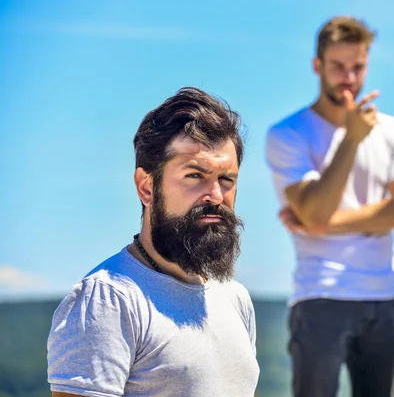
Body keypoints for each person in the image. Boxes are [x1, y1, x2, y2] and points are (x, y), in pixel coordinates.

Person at [47, 87, 260, 397]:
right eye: (194, 176)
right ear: (146, 187)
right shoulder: (108, 300)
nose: (216, 195)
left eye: (226, 179)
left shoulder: (235, 298)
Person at [265, 16, 394, 397]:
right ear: (317, 66)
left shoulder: (392, 129)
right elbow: (316, 212)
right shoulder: (288, 133)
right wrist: (350, 140)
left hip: (384, 293)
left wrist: (325, 224)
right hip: (319, 294)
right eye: (338, 67)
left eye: (358, 67)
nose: (349, 78)